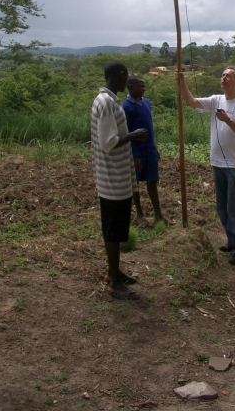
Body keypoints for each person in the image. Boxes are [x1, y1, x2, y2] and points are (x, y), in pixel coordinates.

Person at [176, 67, 235, 265]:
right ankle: (232, 240)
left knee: (234, 206)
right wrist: (182, 83)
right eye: (222, 75)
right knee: (222, 207)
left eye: (229, 76)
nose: (224, 78)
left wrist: (227, 120)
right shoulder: (216, 100)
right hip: (217, 161)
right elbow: (191, 102)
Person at [91, 61, 148, 300]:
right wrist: (134, 135)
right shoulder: (105, 102)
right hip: (111, 180)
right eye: (127, 77)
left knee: (116, 228)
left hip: (116, 177)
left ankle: (113, 272)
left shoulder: (109, 100)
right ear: (122, 76)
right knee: (113, 231)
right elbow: (108, 142)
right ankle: (114, 282)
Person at [123, 76, 167, 227]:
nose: (143, 89)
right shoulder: (126, 107)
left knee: (152, 181)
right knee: (135, 185)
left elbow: (150, 127)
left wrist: (154, 147)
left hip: (149, 149)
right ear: (130, 87)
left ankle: (158, 214)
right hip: (137, 151)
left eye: (144, 86)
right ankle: (140, 214)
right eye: (139, 86)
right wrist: (134, 156)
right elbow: (127, 132)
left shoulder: (146, 102)